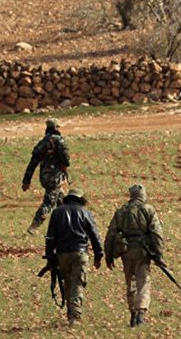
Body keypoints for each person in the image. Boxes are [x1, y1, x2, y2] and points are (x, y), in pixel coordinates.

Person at [105, 184, 165, 327]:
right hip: (143, 252)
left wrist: (109, 256)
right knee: (143, 282)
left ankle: (133, 314)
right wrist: (159, 254)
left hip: (126, 252)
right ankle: (140, 314)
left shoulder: (121, 211)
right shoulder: (148, 210)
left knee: (130, 282)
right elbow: (157, 233)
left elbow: (110, 235)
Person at [45, 188, 103, 326]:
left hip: (62, 254)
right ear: (80, 199)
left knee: (67, 282)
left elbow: (50, 237)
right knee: (77, 283)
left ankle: (70, 313)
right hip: (80, 253)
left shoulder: (57, 212)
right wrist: (98, 254)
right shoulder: (85, 212)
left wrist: (50, 255)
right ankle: (75, 316)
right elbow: (94, 235)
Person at [22, 118, 70, 234]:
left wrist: (26, 181)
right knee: (49, 202)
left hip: (44, 177)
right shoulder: (60, 141)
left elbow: (32, 163)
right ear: (56, 128)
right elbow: (66, 160)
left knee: (62, 201)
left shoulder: (42, 143)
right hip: (55, 178)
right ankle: (34, 226)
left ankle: (64, 227)